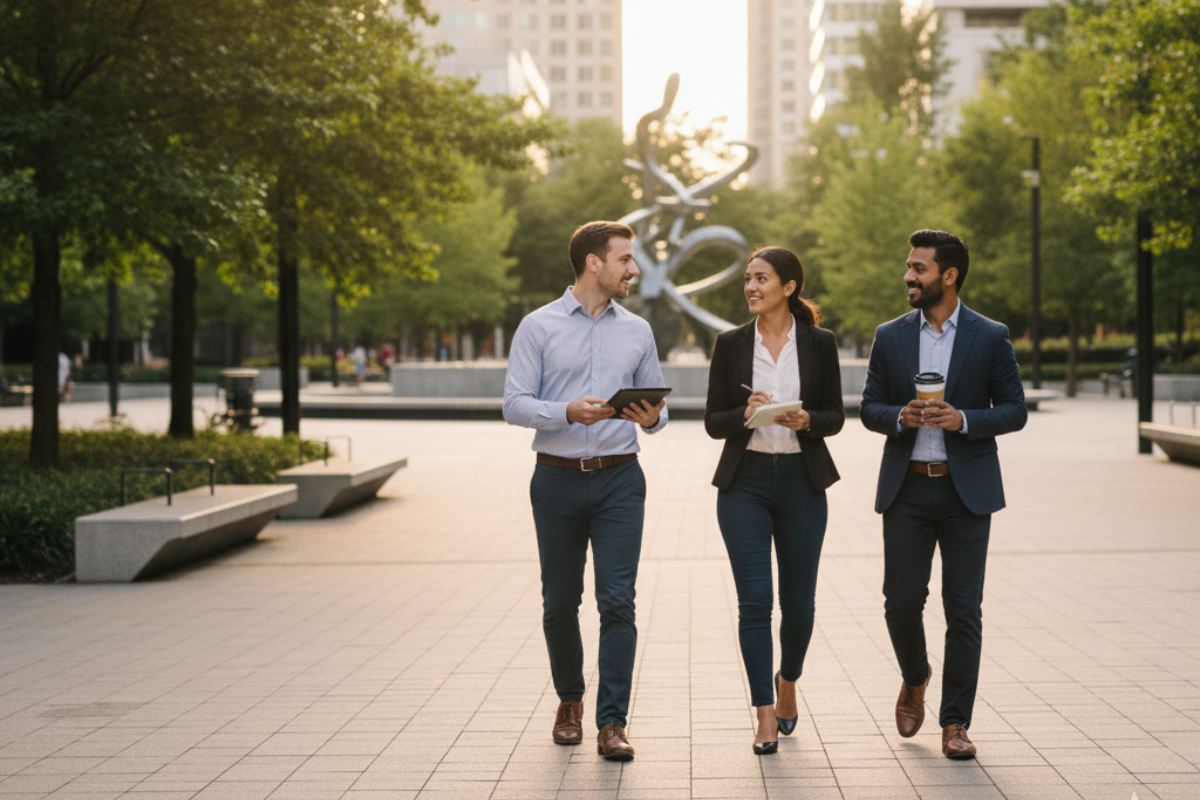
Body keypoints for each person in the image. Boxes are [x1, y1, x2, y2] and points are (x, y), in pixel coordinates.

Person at [502, 220, 667, 762]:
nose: (633, 270)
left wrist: (652, 417)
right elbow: (515, 403)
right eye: (625, 259)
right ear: (594, 262)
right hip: (556, 479)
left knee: (618, 601)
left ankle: (612, 722)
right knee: (559, 602)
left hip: (621, 477)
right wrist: (565, 411)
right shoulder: (538, 326)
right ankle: (569, 701)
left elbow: (657, 414)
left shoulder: (637, 330)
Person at [860, 229, 1026, 760]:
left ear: (948, 275)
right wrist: (898, 416)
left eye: (919, 268)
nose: (909, 276)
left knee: (964, 610)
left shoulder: (989, 334)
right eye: (909, 267)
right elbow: (868, 408)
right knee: (900, 604)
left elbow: (1014, 409)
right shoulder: (890, 336)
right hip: (907, 487)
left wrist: (965, 419)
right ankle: (915, 675)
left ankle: (955, 723)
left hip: (966, 493)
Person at [704, 246, 844, 755]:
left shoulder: (819, 342)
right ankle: (764, 713)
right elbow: (712, 421)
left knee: (799, 606)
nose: (751, 287)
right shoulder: (731, 343)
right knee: (755, 603)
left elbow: (835, 415)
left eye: (761, 278)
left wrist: (808, 420)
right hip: (745, 484)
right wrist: (745, 411)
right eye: (747, 279)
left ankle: (789, 683)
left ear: (789, 287)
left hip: (802, 483)